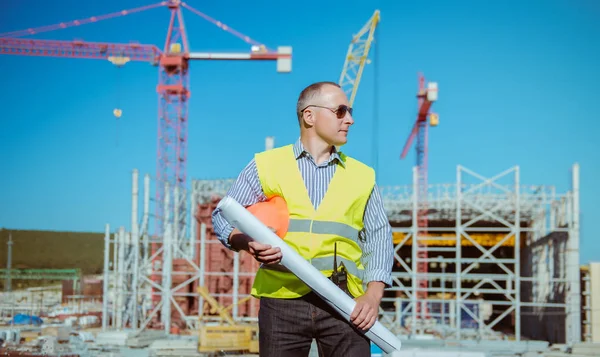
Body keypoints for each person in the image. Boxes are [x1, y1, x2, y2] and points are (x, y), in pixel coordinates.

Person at [212, 81, 394, 357]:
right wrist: (246, 243)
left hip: (344, 302)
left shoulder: (362, 175)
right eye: (341, 111)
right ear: (309, 116)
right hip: (281, 300)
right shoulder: (267, 165)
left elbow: (379, 236)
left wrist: (372, 295)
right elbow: (222, 216)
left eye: (350, 111)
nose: (350, 119)